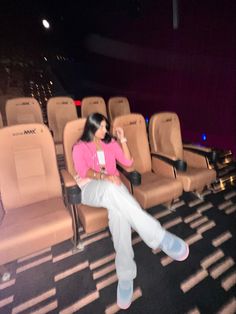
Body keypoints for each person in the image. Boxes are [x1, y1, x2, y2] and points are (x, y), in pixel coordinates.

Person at [72, 113, 189, 310]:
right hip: (91, 188)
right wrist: (104, 176)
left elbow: (128, 163)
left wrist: (122, 139)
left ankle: (125, 276)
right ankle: (160, 236)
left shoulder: (110, 143)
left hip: (114, 187)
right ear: (91, 127)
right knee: (112, 189)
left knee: (118, 215)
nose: (105, 131)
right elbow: (83, 171)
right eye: (101, 127)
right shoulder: (79, 147)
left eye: (106, 127)